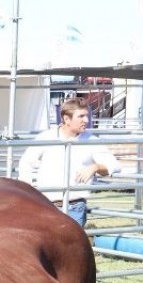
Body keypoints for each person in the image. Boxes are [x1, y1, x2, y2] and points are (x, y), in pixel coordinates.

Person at [15, 96, 118, 227]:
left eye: (87, 116)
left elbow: (114, 165)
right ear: (66, 119)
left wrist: (95, 167)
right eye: (81, 116)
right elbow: (26, 161)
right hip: (47, 205)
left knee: (70, 246)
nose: (86, 120)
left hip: (75, 207)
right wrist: (28, 187)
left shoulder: (92, 141)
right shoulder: (47, 137)